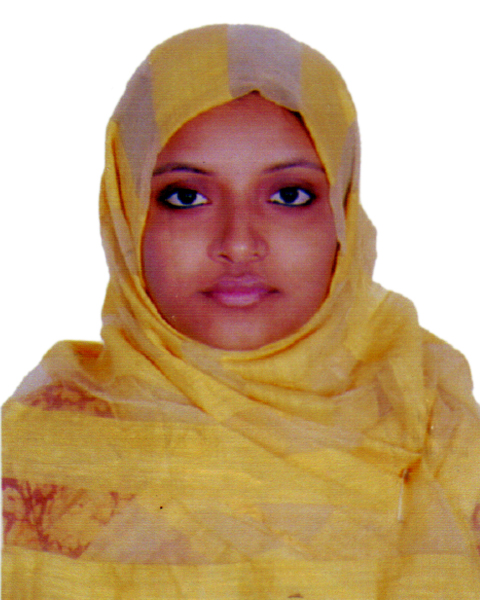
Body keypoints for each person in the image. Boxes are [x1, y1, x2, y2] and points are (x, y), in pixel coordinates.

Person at [3, 24, 480, 599]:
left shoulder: (431, 418)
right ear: (127, 215)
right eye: (186, 197)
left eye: (289, 196)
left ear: (343, 215)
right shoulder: (45, 442)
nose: (238, 242)